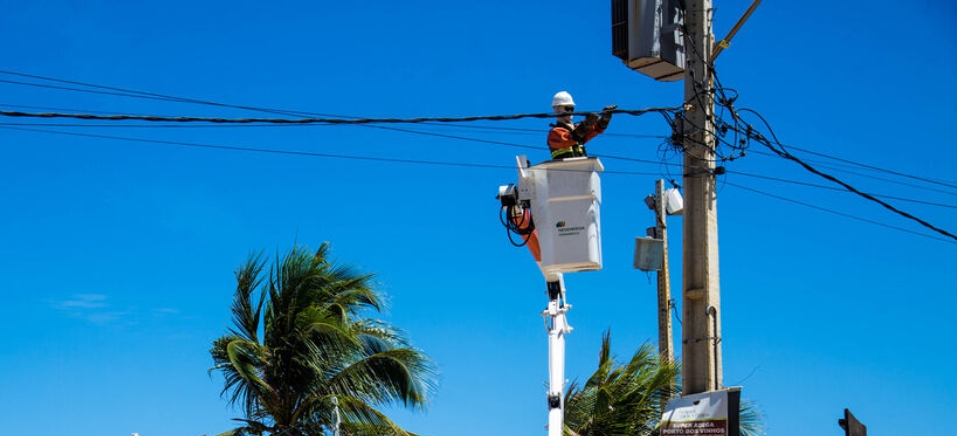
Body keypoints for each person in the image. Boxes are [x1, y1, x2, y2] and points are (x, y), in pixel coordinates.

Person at [547, 91, 616, 160]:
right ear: (557, 110)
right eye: (568, 108)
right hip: (563, 169)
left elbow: (595, 129)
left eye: (572, 109)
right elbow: (568, 139)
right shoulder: (555, 133)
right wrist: (585, 125)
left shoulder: (576, 128)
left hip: (580, 168)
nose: (571, 111)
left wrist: (604, 120)